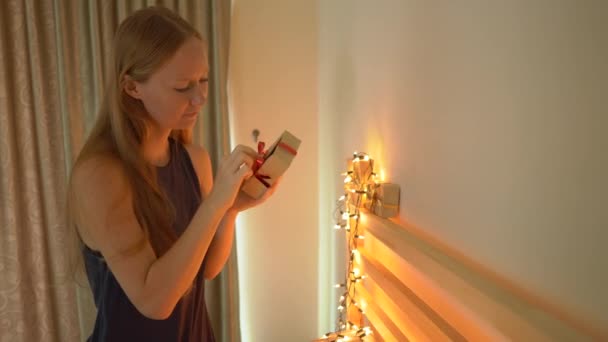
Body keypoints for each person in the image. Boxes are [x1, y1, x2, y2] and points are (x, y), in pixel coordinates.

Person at [67, 6, 278, 341]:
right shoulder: (100, 175)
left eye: (204, 80)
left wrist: (232, 208)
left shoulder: (195, 159)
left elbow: (206, 268)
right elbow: (155, 301)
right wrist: (214, 205)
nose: (200, 97)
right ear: (132, 87)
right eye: (182, 86)